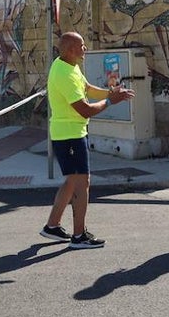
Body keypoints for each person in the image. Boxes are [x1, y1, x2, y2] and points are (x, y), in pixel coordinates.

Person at [40, 32, 135, 249]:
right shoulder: (65, 74)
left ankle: (52, 226)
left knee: (72, 181)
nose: (85, 49)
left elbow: (88, 89)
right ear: (71, 50)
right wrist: (110, 102)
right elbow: (84, 110)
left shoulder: (67, 64)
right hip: (70, 135)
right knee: (83, 183)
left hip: (69, 133)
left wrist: (110, 93)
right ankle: (79, 236)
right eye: (82, 46)